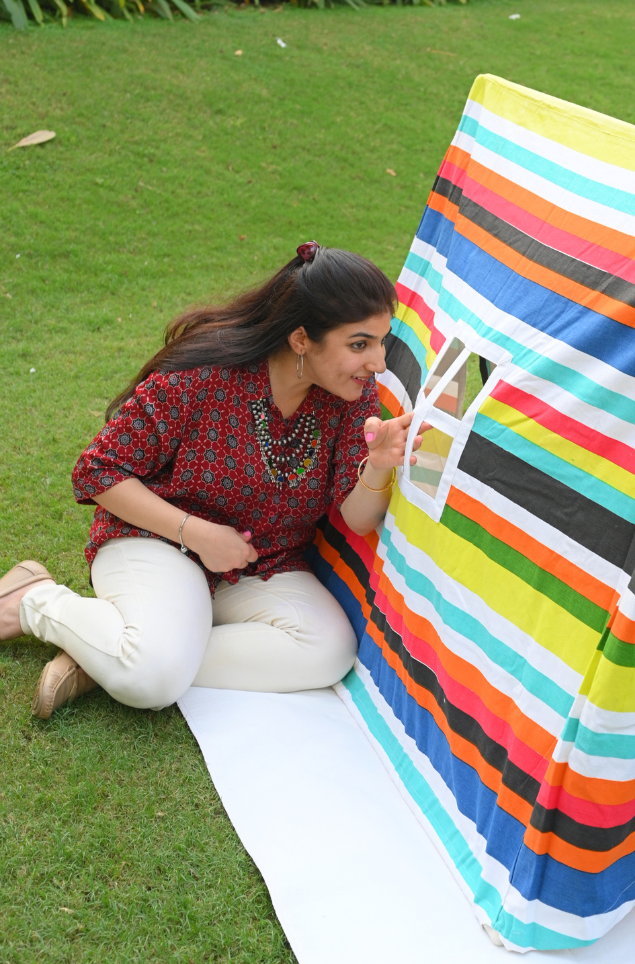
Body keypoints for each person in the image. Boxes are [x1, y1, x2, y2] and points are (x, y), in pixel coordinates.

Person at [0, 242, 425, 720]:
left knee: (329, 648)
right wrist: (198, 534)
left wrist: (381, 462)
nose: (379, 364)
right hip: (159, 542)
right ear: (302, 338)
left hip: (259, 566)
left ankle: (107, 653)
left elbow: (357, 517)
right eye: (359, 344)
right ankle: (36, 600)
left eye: (381, 342)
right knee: (153, 679)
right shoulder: (205, 377)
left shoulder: (352, 396)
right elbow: (97, 470)